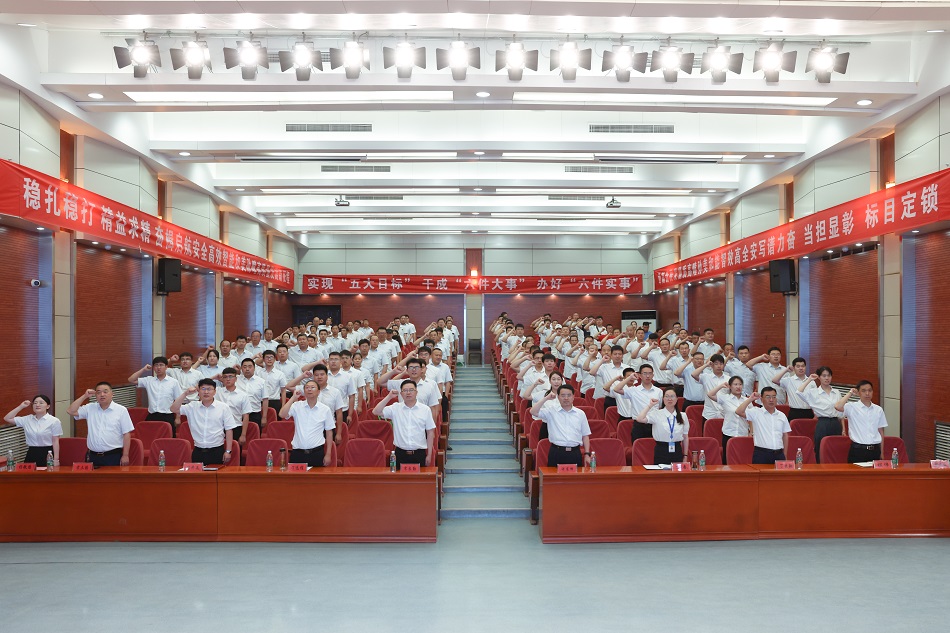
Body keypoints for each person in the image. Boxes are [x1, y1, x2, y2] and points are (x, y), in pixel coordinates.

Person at [171, 379, 236, 465]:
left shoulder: (223, 407)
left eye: (209, 389)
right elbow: (173, 409)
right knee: (198, 474)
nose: (206, 392)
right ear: (198, 391)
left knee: (216, 473)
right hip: (198, 451)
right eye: (203, 389)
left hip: (217, 451)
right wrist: (185, 393)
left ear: (214, 392)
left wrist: (228, 451)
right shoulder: (192, 406)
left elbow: (229, 430)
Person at [67, 383, 133, 467]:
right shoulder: (90, 408)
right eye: (98, 392)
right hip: (93, 456)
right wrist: (84, 396)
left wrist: (125, 455)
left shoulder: (121, 410)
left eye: (105, 392)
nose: (102, 395)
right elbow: (70, 411)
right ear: (95, 395)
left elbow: (126, 434)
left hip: (113, 456)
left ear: (112, 394)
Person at [373, 379, 436, 468]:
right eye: (405, 390)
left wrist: (429, 454)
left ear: (416, 392)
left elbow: (430, 433)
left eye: (411, 390)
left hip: (419, 454)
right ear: (401, 393)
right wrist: (389, 397)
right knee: (400, 477)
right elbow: (376, 412)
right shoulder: (395, 408)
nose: (408, 393)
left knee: (419, 477)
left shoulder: (425, 409)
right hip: (400, 454)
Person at [530, 384, 591, 468]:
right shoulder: (551, 411)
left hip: (575, 453)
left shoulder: (580, 413)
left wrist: (587, 454)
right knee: (553, 476)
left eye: (569, 395)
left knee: (575, 476)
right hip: (556, 452)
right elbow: (533, 411)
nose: (566, 398)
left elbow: (585, 435)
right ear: (558, 397)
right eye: (563, 395)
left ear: (573, 397)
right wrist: (546, 398)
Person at [277, 378, 335, 467]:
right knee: (294, 476)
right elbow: (282, 414)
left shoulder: (325, 409)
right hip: (298, 453)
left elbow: (329, 432)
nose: (309, 389)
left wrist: (328, 454)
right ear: (304, 391)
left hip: (316, 453)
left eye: (312, 387)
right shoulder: (297, 406)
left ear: (319, 392)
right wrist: (293, 398)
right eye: (307, 387)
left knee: (316, 476)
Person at [835, 380, 888, 463]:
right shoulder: (851, 407)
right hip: (858, 451)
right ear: (858, 393)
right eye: (863, 391)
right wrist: (850, 393)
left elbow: (880, 431)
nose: (867, 393)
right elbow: (837, 406)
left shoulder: (878, 410)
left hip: (875, 450)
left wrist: (882, 452)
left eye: (870, 390)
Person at [799, 366, 845, 463]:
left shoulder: (836, 392)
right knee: (820, 449)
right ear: (819, 377)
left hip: (836, 423)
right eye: (824, 376)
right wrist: (809, 379)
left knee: (835, 449)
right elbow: (799, 392)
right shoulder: (814, 392)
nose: (827, 378)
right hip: (822, 423)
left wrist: (843, 429)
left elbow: (841, 413)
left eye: (829, 375)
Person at [736, 387, 791, 464]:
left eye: (774, 397)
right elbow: (739, 411)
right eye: (768, 397)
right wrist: (750, 399)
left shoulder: (782, 415)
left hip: (779, 454)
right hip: (762, 454)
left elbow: (785, 435)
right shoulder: (756, 412)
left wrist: (784, 454)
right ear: (761, 399)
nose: (771, 400)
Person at [634, 388, 689, 465]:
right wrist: (650, 405)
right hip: (661, 450)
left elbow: (685, 437)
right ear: (663, 399)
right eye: (667, 396)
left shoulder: (683, 416)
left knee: (676, 472)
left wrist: (685, 455)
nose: (669, 399)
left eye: (672, 396)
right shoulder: (656, 414)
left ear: (677, 399)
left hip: (677, 450)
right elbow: (639, 419)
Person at [4, 395, 63, 467]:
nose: (37, 405)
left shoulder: (54, 421)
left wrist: (56, 459)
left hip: (48, 453)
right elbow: (7, 418)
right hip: (31, 452)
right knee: (28, 474)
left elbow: (55, 441)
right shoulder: (27, 419)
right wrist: (21, 406)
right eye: (35, 403)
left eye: (41, 403)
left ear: (48, 406)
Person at [128, 356, 183, 427]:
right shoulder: (149, 380)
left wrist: (178, 417)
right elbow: (131, 380)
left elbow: (178, 400)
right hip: (152, 415)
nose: (158, 367)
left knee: (168, 433)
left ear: (166, 367)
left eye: (161, 365)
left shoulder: (173, 382)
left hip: (167, 415)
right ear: (153, 368)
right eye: (156, 365)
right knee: (148, 433)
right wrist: (143, 369)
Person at [614, 363, 663, 441]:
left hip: (654, 424)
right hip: (639, 426)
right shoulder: (634, 390)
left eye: (650, 373)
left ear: (653, 375)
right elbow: (616, 389)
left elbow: (659, 407)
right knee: (637, 447)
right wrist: (630, 377)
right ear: (640, 375)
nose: (648, 376)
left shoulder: (659, 391)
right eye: (645, 373)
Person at [709, 375, 749, 463]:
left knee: (742, 460)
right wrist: (721, 386)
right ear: (730, 386)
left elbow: (751, 418)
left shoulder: (747, 400)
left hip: (743, 433)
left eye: (740, 384)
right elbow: (710, 394)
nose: (738, 387)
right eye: (735, 384)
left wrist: (751, 433)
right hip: (729, 433)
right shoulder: (725, 398)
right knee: (727, 460)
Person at [214, 367, 252, 444]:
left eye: (230, 376)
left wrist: (243, 435)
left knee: (236, 450)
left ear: (236, 379)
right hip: (219, 427)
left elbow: (246, 416)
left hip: (236, 427)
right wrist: (214, 377)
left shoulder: (243, 395)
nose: (228, 379)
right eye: (225, 377)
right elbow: (199, 387)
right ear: (222, 379)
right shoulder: (217, 391)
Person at [695, 353, 731, 420]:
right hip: (709, 413)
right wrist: (706, 365)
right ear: (712, 365)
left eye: (721, 364)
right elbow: (693, 374)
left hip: (724, 413)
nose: (719, 366)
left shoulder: (729, 379)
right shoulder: (706, 377)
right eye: (716, 364)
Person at [236, 358, 268, 430]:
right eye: (244, 367)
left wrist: (264, 417)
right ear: (241, 368)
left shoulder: (261, 381)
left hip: (255, 413)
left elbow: (265, 399)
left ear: (254, 368)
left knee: (255, 435)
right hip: (238, 414)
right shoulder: (236, 380)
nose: (247, 369)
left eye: (250, 367)